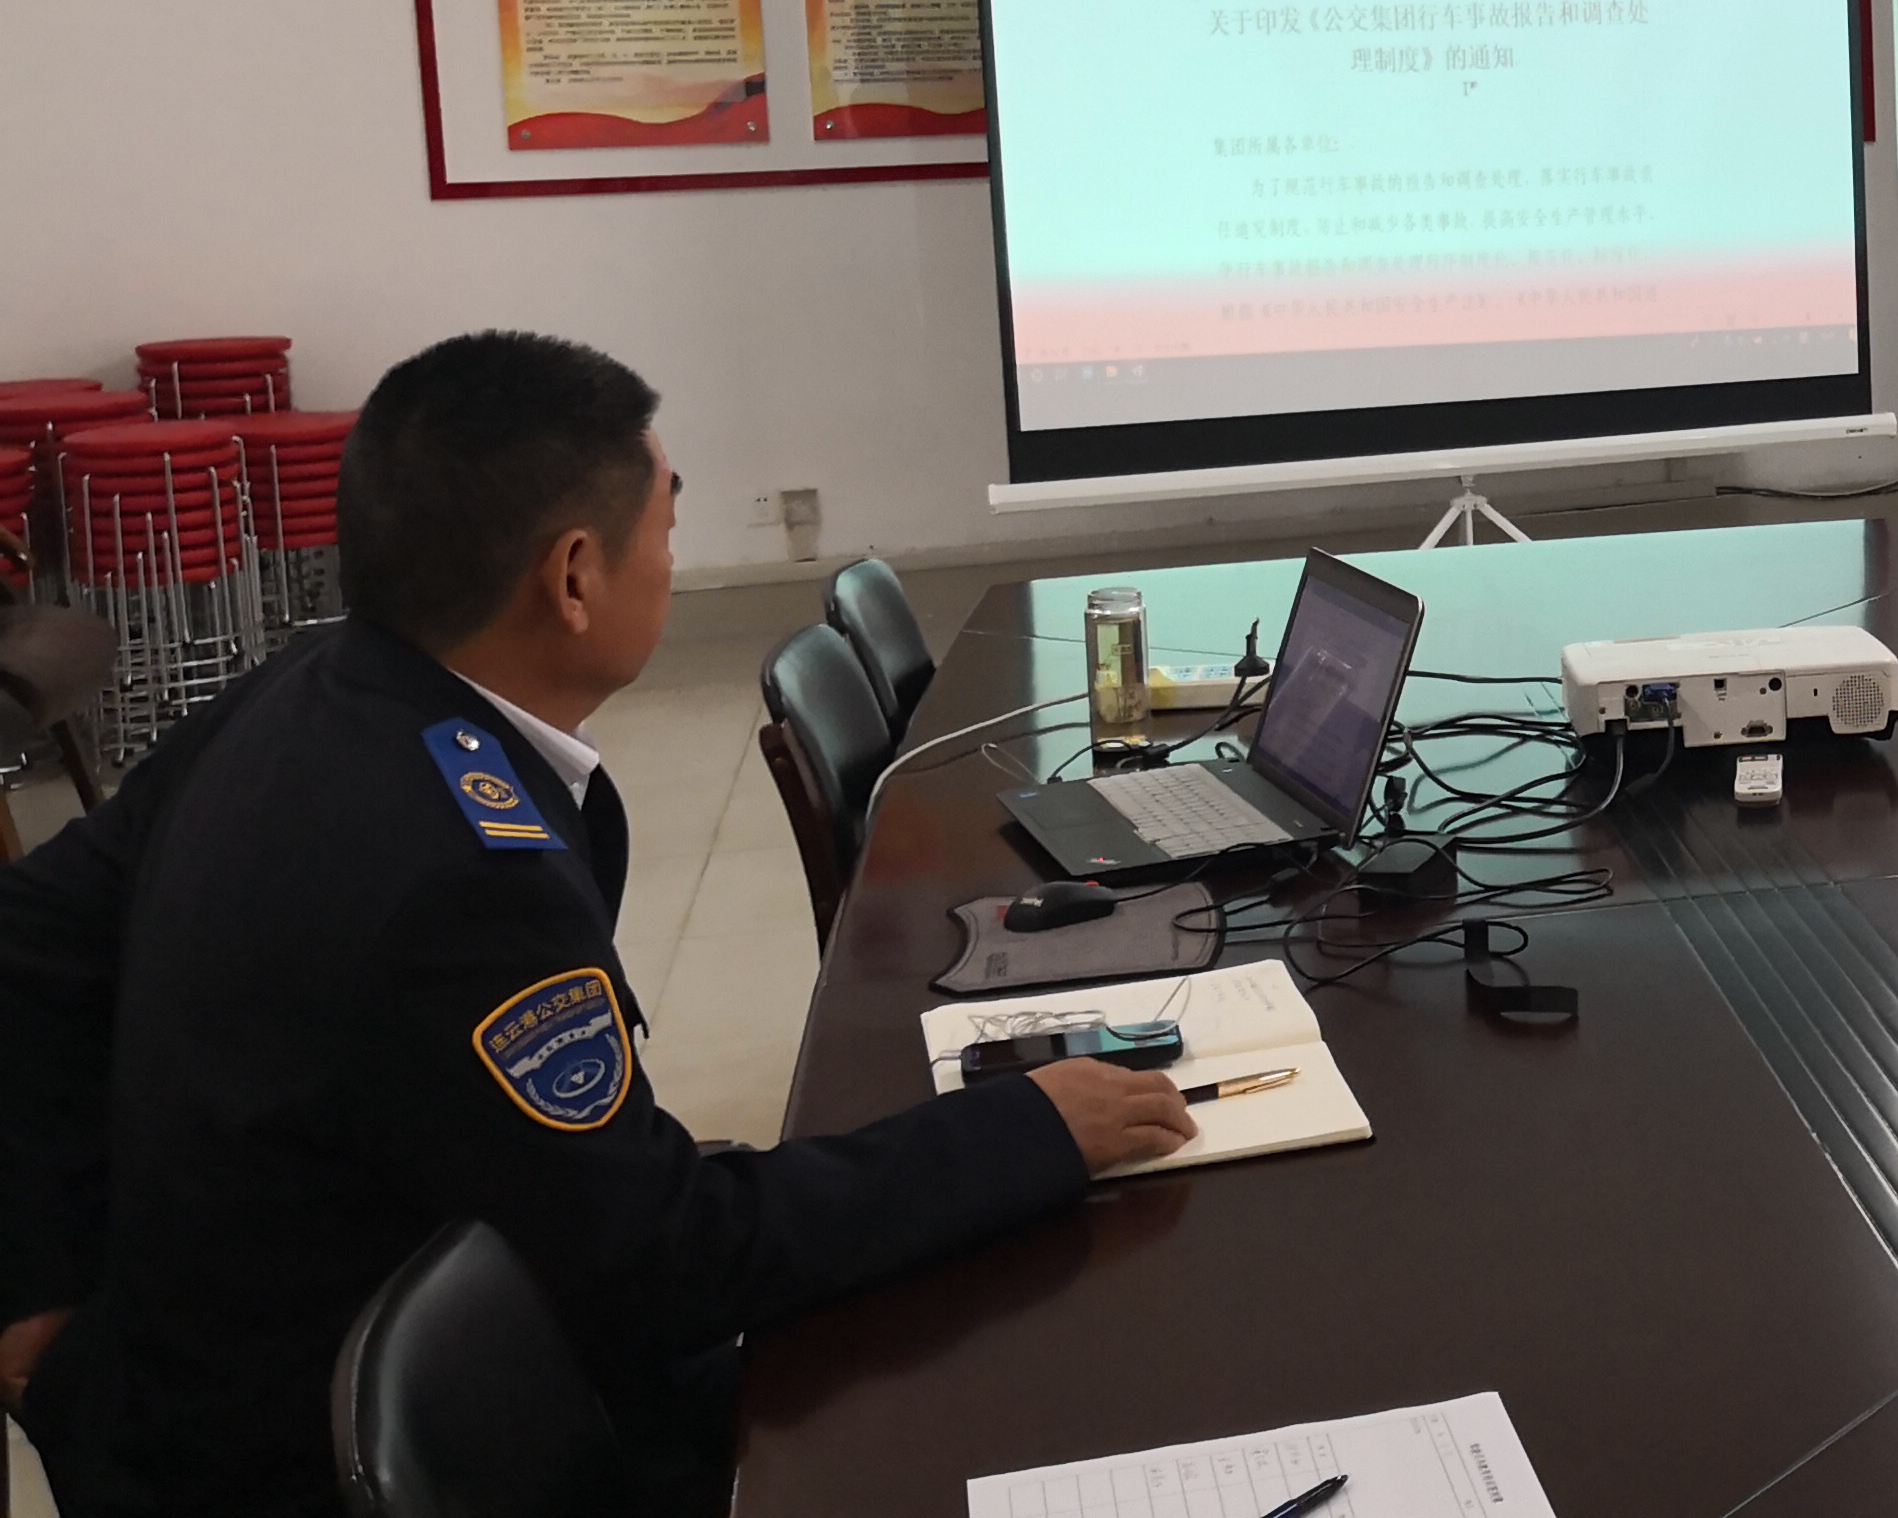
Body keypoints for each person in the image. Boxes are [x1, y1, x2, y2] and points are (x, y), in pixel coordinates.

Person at [0, 332, 1200, 1517]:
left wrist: (38, 1278)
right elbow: (664, 1258)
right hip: (334, 1444)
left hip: (222, 1374)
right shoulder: (460, 867)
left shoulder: (306, 687)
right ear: (574, 576)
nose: (671, 561)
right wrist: (1025, 1129)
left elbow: (27, 941)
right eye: (666, 525)